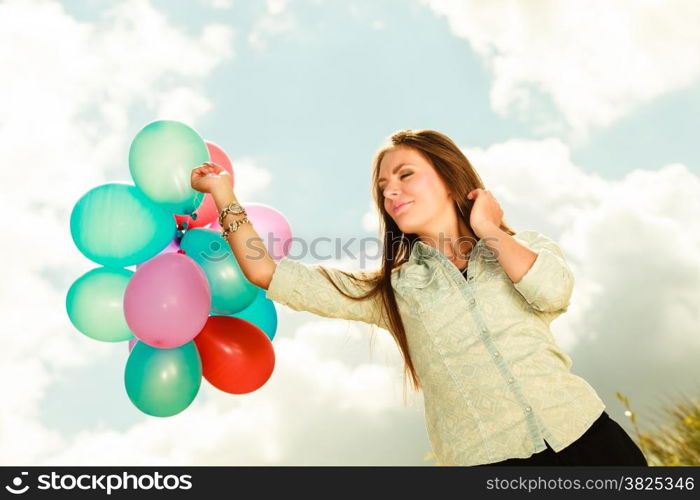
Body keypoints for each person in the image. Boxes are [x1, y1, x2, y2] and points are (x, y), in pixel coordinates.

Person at [190, 129, 648, 467]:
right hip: (486, 463)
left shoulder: (524, 246)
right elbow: (264, 270)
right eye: (384, 188)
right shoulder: (391, 292)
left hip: (589, 440)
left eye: (406, 175)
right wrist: (224, 194)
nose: (391, 191)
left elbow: (552, 292)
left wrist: (488, 229)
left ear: (448, 180)